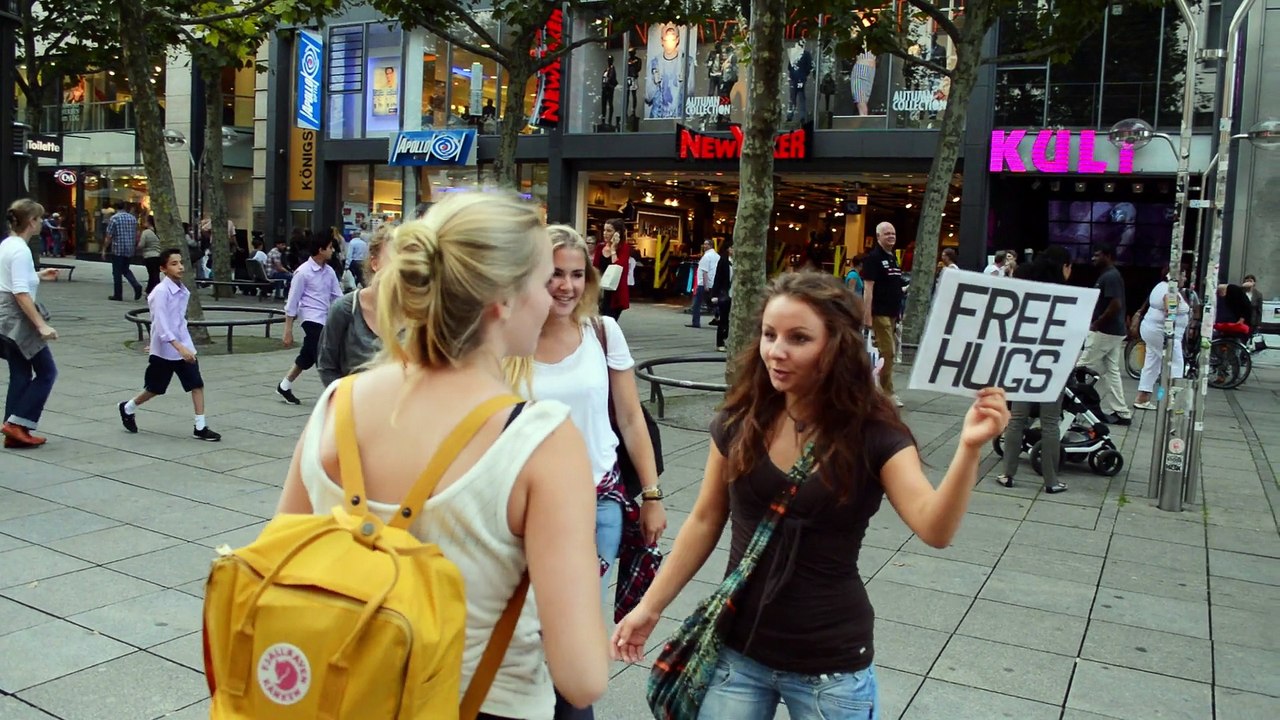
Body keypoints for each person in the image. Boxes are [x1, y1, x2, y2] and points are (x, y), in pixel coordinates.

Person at [610, 272, 1011, 718]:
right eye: (769, 334)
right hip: (738, 651)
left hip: (831, 667)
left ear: (837, 346)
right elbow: (705, 520)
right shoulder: (739, 422)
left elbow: (935, 527)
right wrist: (649, 607)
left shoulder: (875, 436)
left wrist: (969, 448)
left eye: (798, 338)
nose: (776, 351)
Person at [274, 192, 608, 719]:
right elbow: (583, 676)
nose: (551, 300)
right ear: (503, 299)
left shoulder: (339, 404)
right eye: (543, 281)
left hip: (347, 698)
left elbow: (280, 567)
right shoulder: (540, 440)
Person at [506, 225, 665, 717]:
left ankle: (570, 706)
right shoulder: (509, 336)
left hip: (598, 505)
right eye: (555, 274)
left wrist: (653, 494)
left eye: (577, 275)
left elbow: (632, 418)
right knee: (521, 624)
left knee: (571, 626)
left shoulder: (602, 331)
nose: (567, 286)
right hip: (520, 507)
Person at [117, 249, 221, 441]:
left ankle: (200, 427)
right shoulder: (160, 293)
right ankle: (128, 407)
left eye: (180, 262)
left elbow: (178, 321)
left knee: (196, 384)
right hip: (165, 350)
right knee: (155, 388)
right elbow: (161, 324)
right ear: (163, 269)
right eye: (174, 263)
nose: (180, 267)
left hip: (184, 346)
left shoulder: (182, 289)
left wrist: (185, 345)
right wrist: (177, 346)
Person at [994, 246, 1073, 493]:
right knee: (1050, 422)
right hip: (1051, 363)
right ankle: (1050, 481)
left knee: (1017, 418)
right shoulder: (1065, 294)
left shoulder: (1025, 283)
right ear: (1063, 266)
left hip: (1023, 358)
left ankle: (1007, 474)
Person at [0, 200, 61, 449]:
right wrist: (41, 326)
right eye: (39, 219)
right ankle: (16, 424)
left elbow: (12, 281)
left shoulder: (8, 245)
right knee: (47, 372)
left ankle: (13, 430)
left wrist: (38, 275)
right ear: (32, 221)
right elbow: (20, 293)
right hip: (17, 320)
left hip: (5, 318)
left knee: (21, 373)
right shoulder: (21, 250)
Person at [317, 226, 393, 387]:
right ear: (375, 263)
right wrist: (344, 402)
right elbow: (326, 366)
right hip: (353, 406)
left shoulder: (415, 313)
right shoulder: (345, 309)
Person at [276, 235, 343, 405]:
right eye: (329, 247)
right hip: (310, 318)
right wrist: (288, 330)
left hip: (325, 317)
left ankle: (284, 385)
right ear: (320, 250)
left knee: (308, 354)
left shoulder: (329, 272)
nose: (332, 250)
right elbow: (291, 302)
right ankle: (333, 393)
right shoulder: (303, 272)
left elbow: (338, 297)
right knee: (323, 355)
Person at [1079, 244, 1130, 425]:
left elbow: (1115, 304)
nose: (1093, 258)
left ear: (1108, 255)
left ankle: (1068, 405)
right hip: (1114, 331)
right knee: (1112, 371)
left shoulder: (1110, 276)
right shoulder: (1109, 275)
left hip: (1106, 330)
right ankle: (1121, 411)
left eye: (1097, 254)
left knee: (1080, 364)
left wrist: (1097, 323)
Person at [862, 222, 905, 407]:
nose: (891, 236)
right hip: (879, 312)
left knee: (885, 353)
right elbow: (868, 288)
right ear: (878, 236)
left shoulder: (893, 257)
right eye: (887, 233)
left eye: (893, 233)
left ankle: (875, 388)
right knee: (888, 351)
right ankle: (887, 392)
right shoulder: (873, 258)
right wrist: (867, 315)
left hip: (893, 311)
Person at [102, 201, 143, 301]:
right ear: (125, 207)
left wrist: (104, 249)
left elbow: (109, 236)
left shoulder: (114, 218)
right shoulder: (132, 218)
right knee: (125, 269)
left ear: (116, 208)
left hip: (118, 248)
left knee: (116, 272)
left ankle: (118, 294)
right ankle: (136, 285)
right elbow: (137, 233)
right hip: (129, 248)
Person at [594, 218, 631, 321]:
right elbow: (595, 268)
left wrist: (613, 249)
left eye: (609, 231)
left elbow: (618, 267)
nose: (605, 233)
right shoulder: (600, 247)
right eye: (604, 230)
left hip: (615, 293)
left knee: (609, 324)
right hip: (601, 292)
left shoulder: (624, 248)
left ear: (617, 233)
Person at [688, 241, 719, 329]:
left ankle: (696, 322)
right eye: (704, 244)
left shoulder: (706, 257)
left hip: (703, 284)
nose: (704, 246)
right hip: (713, 282)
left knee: (697, 304)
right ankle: (719, 317)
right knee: (712, 303)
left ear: (710, 245)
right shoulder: (717, 256)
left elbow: (705, 272)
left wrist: (705, 285)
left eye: (706, 244)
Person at [711, 244, 734, 352]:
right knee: (724, 318)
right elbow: (718, 278)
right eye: (732, 247)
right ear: (728, 249)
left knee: (734, 319)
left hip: (736, 293)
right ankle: (720, 342)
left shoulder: (741, 262)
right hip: (725, 294)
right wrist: (714, 294)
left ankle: (728, 338)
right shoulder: (723, 261)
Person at [138, 215, 162, 294]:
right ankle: (150, 290)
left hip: (149, 256)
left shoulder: (146, 232)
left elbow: (141, 244)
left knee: (152, 275)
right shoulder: (159, 232)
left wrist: (137, 247)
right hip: (158, 255)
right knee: (155, 274)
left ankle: (155, 291)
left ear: (148, 222)